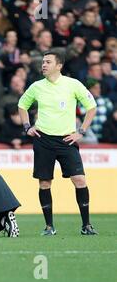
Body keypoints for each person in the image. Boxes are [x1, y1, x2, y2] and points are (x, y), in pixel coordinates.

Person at [18, 50, 98, 236]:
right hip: (43, 139)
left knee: (79, 180)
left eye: (48, 62)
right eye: (43, 62)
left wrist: (81, 132)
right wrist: (27, 126)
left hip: (67, 140)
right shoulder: (37, 86)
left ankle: (86, 225)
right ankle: (49, 227)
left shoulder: (73, 85)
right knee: (45, 183)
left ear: (59, 66)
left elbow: (91, 107)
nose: (43, 65)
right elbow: (22, 105)